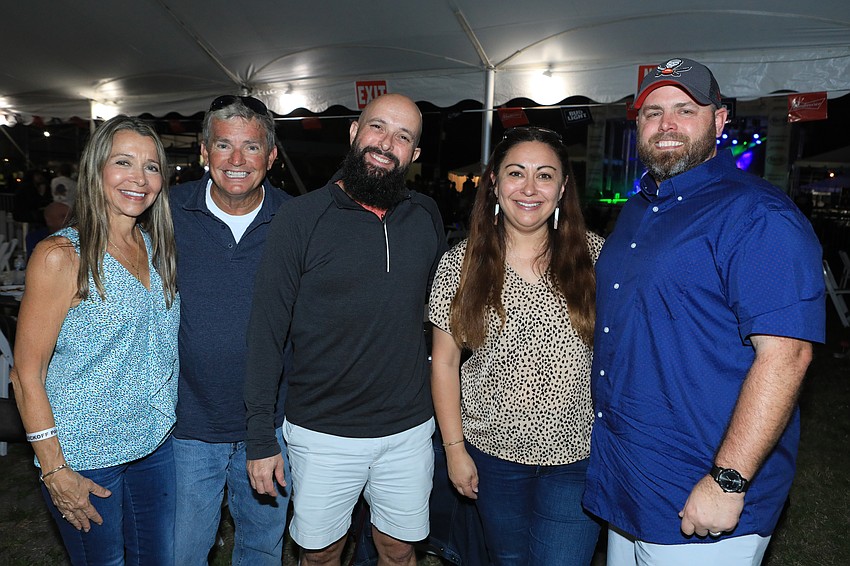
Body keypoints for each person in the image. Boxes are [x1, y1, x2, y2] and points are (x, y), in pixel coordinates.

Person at [582, 57, 825, 565]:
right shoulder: (638, 208)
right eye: (652, 113)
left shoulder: (758, 215)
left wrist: (728, 479)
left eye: (684, 110)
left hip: (702, 487)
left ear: (718, 121)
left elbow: (787, 356)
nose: (666, 124)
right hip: (630, 476)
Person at [244, 93, 446, 566]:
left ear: (414, 155)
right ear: (354, 133)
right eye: (377, 128)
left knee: (398, 550)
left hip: (408, 430)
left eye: (403, 137)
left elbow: (442, 313)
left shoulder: (426, 216)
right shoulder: (300, 218)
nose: (385, 143)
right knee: (320, 554)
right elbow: (266, 333)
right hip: (322, 432)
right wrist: (259, 437)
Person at [429, 126, 603, 565]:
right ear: (494, 183)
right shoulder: (459, 265)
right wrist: (454, 451)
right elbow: (445, 364)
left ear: (563, 188)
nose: (529, 188)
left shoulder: (598, 258)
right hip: (493, 458)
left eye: (545, 176)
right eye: (516, 173)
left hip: (577, 458)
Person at [9, 115, 179, 564]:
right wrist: (54, 468)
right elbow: (26, 373)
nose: (139, 179)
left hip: (156, 443)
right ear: (96, 170)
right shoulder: (61, 256)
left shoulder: (156, 246)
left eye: (151, 167)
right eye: (123, 162)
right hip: (85, 453)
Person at [170, 94, 292, 565]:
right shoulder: (166, 212)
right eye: (224, 146)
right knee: (182, 552)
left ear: (272, 156)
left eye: (252, 147)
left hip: (272, 424)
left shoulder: (296, 221)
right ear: (204, 152)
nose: (237, 161)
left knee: (262, 547)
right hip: (187, 424)